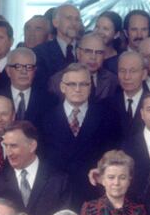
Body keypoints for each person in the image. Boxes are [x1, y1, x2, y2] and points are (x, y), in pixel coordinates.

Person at [40, 63, 120, 207]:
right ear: (62, 87)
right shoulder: (45, 118)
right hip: (56, 195)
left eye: (84, 84)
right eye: (72, 84)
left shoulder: (108, 116)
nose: (78, 89)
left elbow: (113, 156)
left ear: (91, 86)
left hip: (95, 194)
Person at [33, 4, 82, 88]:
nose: (74, 23)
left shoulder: (86, 50)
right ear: (55, 22)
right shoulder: (40, 52)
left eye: (77, 19)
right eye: (69, 18)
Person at [0, 47, 48, 125]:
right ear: (8, 71)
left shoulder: (49, 100)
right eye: (18, 66)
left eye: (29, 67)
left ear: (35, 71)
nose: (24, 72)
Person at [109, 51, 148, 139]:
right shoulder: (107, 104)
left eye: (133, 71)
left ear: (144, 74)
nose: (126, 77)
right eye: (122, 71)